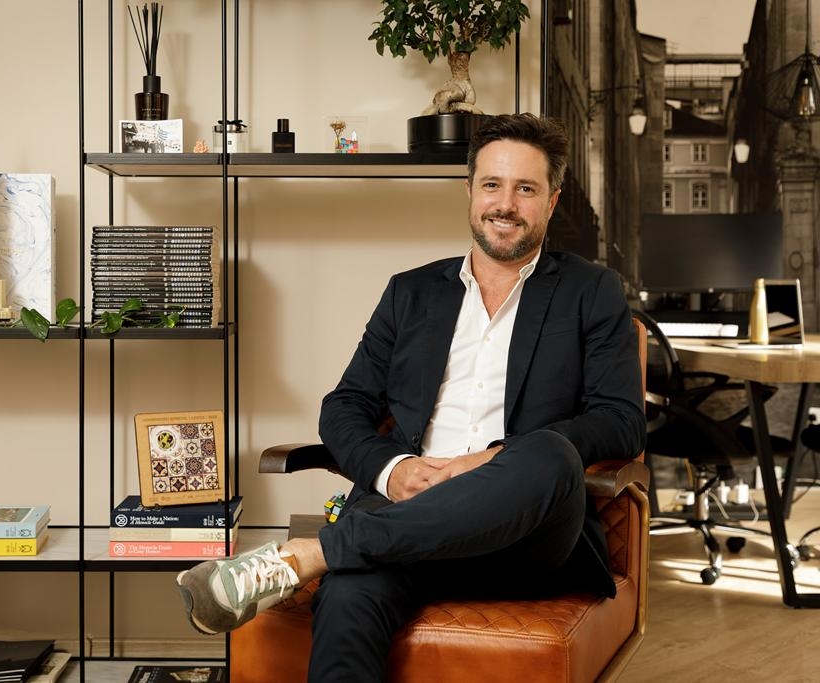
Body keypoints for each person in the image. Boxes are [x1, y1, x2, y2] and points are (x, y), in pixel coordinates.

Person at [176, 113, 646, 682]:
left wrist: (496, 460)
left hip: (524, 536)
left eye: (526, 189)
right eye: (492, 184)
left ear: (552, 201)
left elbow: (621, 421)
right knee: (348, 597)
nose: (505, 204)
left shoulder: (590, 291)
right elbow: (345, 406)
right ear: (469, 191)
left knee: (549, 453)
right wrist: (393, 470)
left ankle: (310, 553)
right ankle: (337, 554)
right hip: (404, 516)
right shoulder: (411, 292)